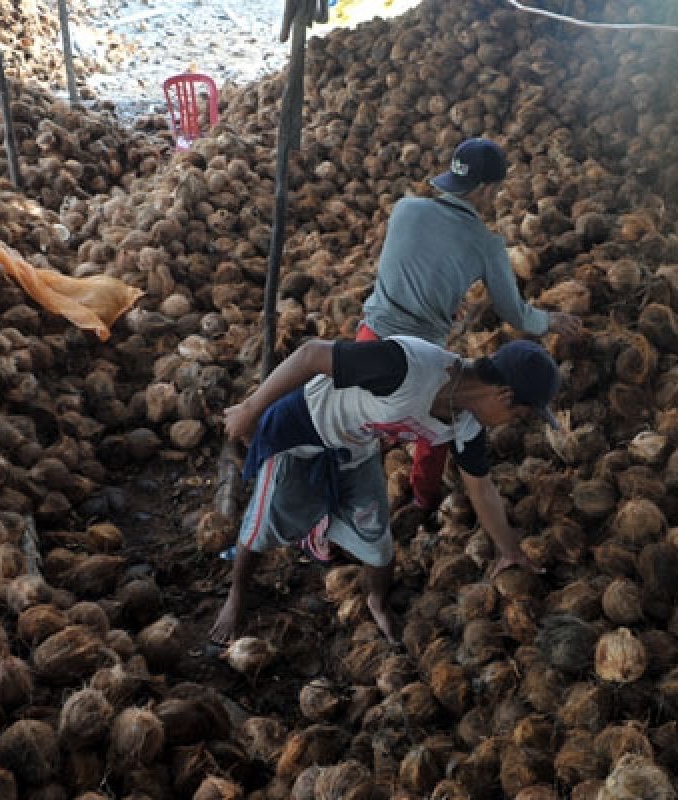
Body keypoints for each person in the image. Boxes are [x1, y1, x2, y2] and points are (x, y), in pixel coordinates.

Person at [209, 335, 559, 645]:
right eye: (522, 415)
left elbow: (481, 488)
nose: (516, 423)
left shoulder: (466, 423)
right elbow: (311, 354)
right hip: (299, 430)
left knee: (378, 540)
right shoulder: (409, 366)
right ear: (504, 395)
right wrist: (250, 408)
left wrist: (510, 550)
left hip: (354, 445)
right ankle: (237, 593)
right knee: (266, 523)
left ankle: (376, 600)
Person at [357, 137, 584, 512]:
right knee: (437, 431)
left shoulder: (405, 208)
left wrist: (442, 300)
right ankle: (422, 500)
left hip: (369, 337)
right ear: (488, 189)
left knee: (356, 417)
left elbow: (406, 267)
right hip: (418, 358)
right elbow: (516, 314)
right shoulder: (486, 244)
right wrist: (551, 320)